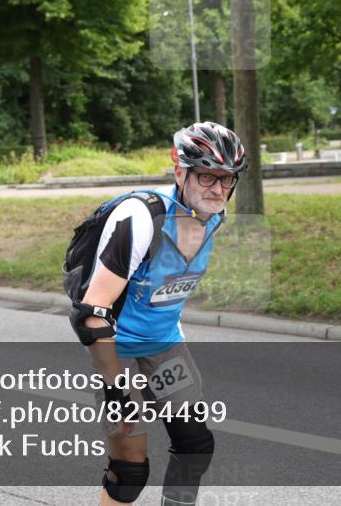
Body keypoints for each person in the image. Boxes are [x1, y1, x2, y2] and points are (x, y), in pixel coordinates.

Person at [69, 122, 247, 506]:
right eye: (207, 177)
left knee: (195, 444)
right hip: (117, 351)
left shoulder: (213, 215)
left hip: (165, 346)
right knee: (130, 470)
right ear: (180, 171)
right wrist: (117, 389)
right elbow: (90, 314)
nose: (218, 189)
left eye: (227, 179)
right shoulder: (141, 217)